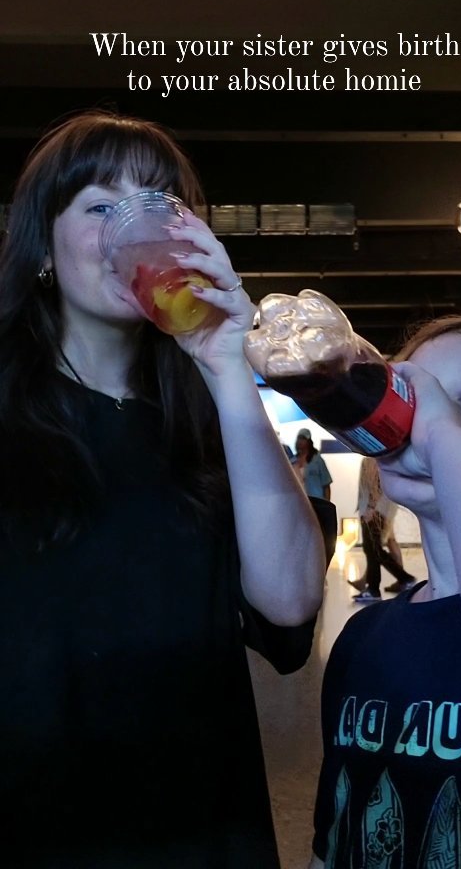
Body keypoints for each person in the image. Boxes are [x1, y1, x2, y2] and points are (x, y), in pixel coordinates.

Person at [0, 109, 326, 869]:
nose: (136, 226)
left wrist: (227, 365)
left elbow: (289, 603)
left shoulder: (210, 422)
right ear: (43, 248)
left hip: (199, 821)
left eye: (161, 204)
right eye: (102, 206)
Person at [309, 313, 461, 868]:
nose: (426, 417)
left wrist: (441, 434)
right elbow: (334, 833)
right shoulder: (363, 637)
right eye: (412, 393)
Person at [349, 457, 416, 602]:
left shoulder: (372, 460)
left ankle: (378, 587)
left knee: (373, 549)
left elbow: (376, 485)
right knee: (374, 550)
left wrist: (372, 509)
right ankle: (400, 580)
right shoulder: (376, 459)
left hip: (374, 512)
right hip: (377, 510)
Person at [293, 428, 333, 500]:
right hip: (299, 502)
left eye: (303, 438)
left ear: (309, 441)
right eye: (299, 438)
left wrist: (327, 505)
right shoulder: (292, 461)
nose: (300, 441)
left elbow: (326, 485)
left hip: (316, 502)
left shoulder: (317, 460)